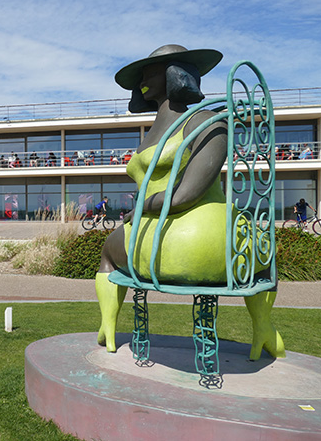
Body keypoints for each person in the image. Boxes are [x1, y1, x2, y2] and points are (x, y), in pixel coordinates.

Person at [94, 44, 284, 361]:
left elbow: (184, 195)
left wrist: (140, 208)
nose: (143, 79)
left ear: (174, 74)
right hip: (228, 250)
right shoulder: (199, 122)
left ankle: (108, 325)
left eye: (150, 71)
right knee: (262, 251)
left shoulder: (204, 120)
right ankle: (263, 325)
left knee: (109, 252)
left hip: (177, 240)